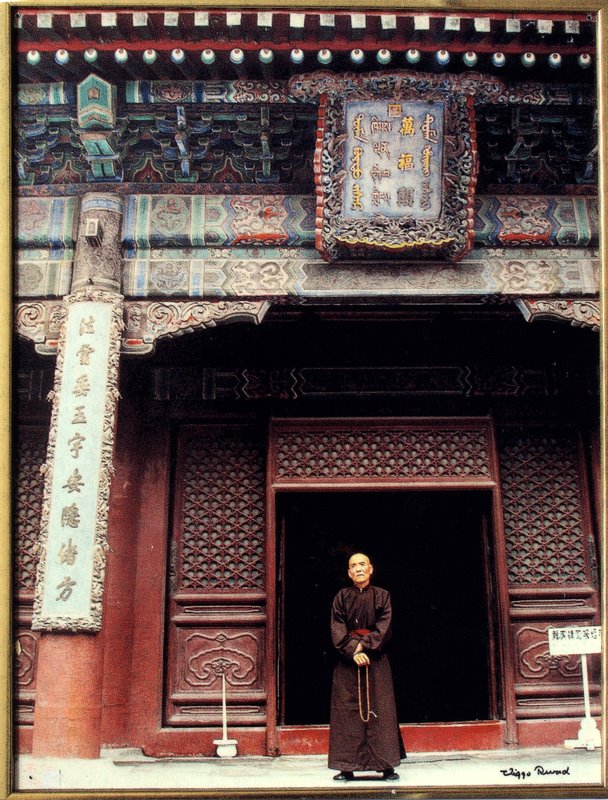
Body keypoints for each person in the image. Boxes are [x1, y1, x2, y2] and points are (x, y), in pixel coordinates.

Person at [328, 552, 405, 782]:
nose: (358, 568)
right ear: (349, 572)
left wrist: (364, 648)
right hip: (347, 662)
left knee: (381, 710)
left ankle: (386, 766)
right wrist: (353, 651)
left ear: (371, 569)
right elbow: (337, 628)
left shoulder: (382, 596)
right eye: (353, 566)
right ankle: (346, 767)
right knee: (346, 713)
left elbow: (385, 627)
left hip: (376, 659)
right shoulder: (341, 597)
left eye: (362, 564)